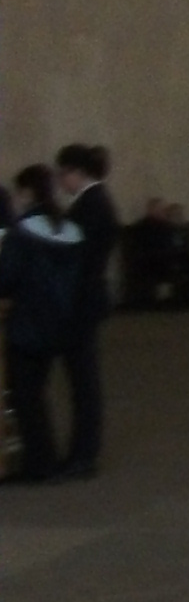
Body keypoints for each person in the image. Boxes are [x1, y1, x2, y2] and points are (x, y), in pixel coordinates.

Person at [2, 161, 89, 483]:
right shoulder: (68, 230)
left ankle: (39, 465)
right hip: (59, 323)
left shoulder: (23, 233)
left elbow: (6, 276)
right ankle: (47, 460)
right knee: (37, 394)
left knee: (24, 396)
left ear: (26, 192)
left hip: (27, 322)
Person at [48, 144, 115, 477]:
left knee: (83, 382)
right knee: (82, 381)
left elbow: (76, 254)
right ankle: (82, 451)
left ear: (76, 172)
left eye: (63, 174)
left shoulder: (91, 205)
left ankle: (83, 454)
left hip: (80, 302)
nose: (61, 182)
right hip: (86, 299)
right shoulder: (94, 202)